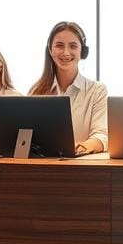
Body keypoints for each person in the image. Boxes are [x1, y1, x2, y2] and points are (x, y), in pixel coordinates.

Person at [28, 21, 107, 156]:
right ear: (51, 51)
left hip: (82, 166)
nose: (66, 52)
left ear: (82, 51)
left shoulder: (97, 91)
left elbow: (102, 135)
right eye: (59, 46)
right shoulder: (36, 91)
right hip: (44, 165)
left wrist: (78, 148)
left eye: (73, 46)